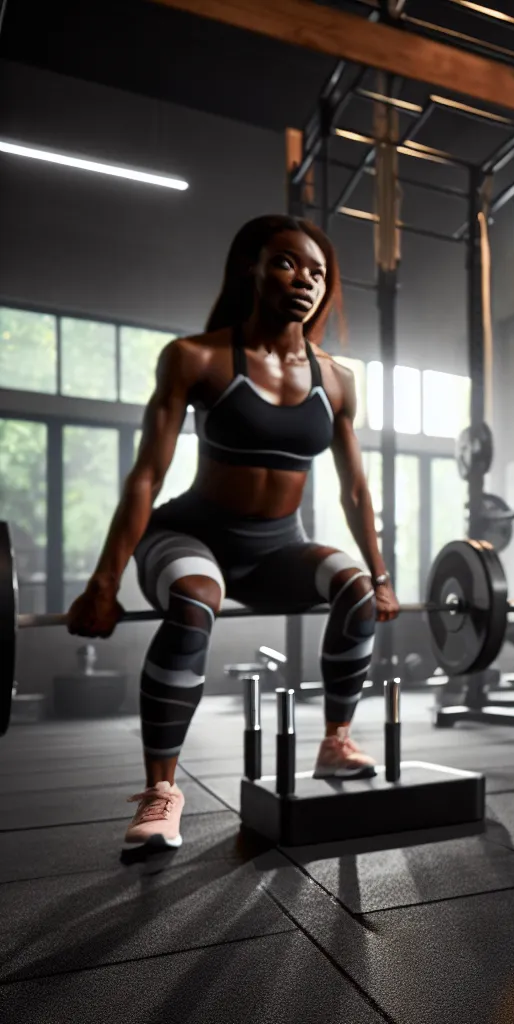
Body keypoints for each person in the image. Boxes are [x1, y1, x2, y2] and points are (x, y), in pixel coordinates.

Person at [68, 215, 399, 852]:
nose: (305, 280)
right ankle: (161, 794)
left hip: (277, 549)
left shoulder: (337, 380)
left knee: (354, 589)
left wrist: (382, 577)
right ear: (252, 266)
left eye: (318, 273)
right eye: (287, 263)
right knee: (195, 600)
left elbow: (355, 490)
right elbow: (146, 476)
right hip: (190, 537)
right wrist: (103, 584)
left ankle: (335, 741)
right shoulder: (197, 358)